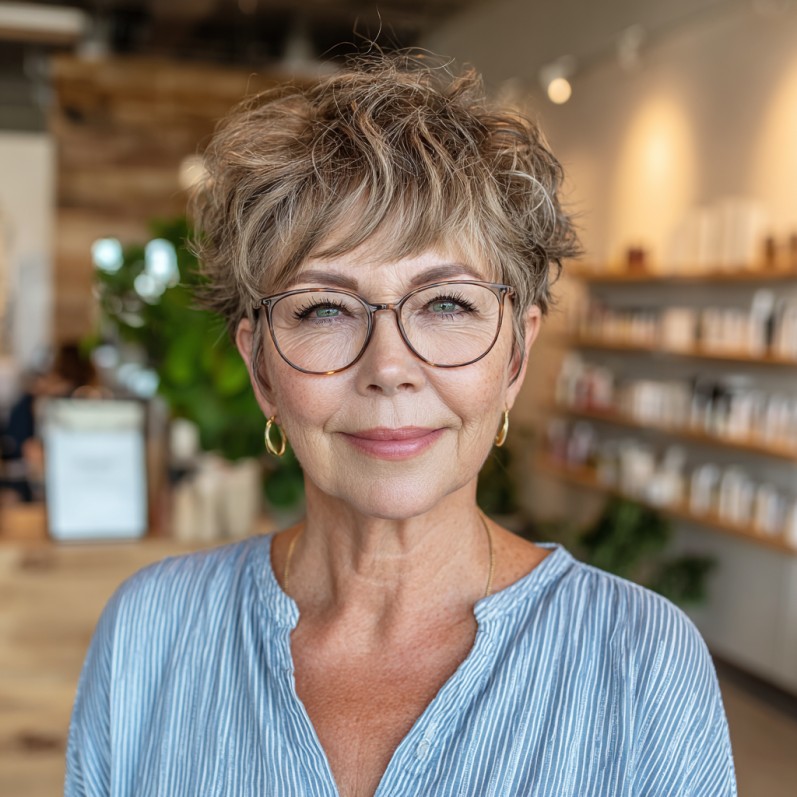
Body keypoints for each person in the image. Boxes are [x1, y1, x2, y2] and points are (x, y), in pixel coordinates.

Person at [65, 54, 736, 796]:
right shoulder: (148, 635)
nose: (389, 366)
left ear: (515, 353)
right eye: (324, 307)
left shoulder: (640, 661)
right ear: (260, 368)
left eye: (446, 304)